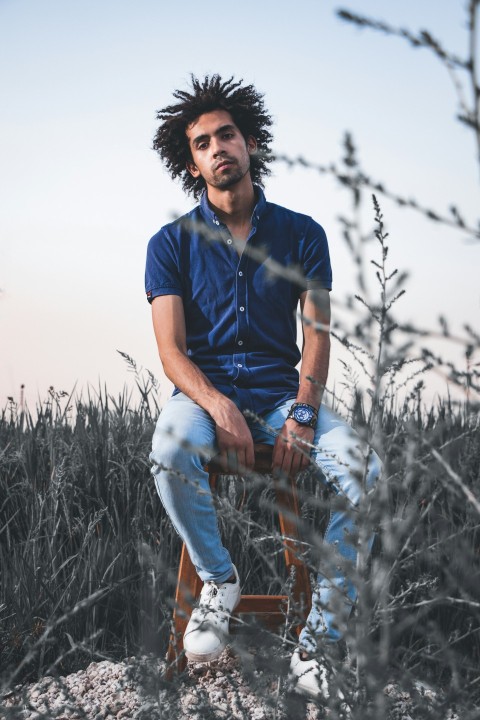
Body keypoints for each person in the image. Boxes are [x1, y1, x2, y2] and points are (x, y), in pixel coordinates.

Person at [145, 75, 381, 699]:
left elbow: (318, 336)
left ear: (250, 143)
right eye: (203, 142)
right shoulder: (169, 244)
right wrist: (218, 403)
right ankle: (219, 580)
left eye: (227, 134)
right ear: (192, 163)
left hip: (283, 396)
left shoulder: (302, 233)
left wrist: (303, 413)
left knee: (370, 475)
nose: (218, 147)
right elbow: (170, 351)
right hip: (202, 396)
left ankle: (319, 640)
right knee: (170, 452)